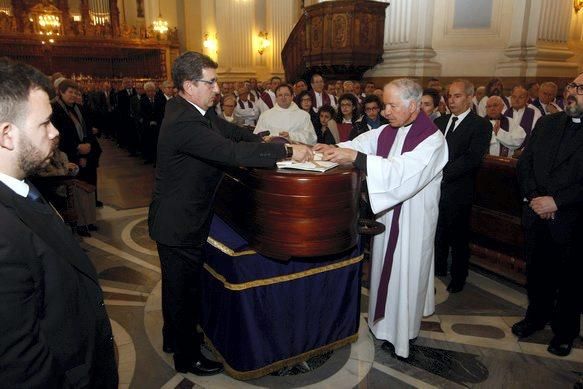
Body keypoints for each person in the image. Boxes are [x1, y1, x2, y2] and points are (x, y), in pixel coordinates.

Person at [148, 51, 312, 376]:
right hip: (178, 223)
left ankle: (174, 338)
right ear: (189, 84)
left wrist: (263, 137)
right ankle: (187, 356)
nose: (217, 88)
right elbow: (229, 152)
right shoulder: (184, 121)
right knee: (184, 291)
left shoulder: (193, 109)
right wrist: (287, 150)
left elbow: (229, 132)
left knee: (176, 288)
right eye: (210, 82)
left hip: (180, 216)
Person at [0, 58, 117, 388]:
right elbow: (20, 364)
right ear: (7, 135)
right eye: (44, 124)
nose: (54, 133)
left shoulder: (20, 185)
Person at [314, 78, 448, 359]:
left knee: (405, 275)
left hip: (413, 221)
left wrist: (357, 157)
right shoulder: (389, 130)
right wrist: (327, 150)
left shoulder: (432, 139)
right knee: (386, 273)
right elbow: (359, 143)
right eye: (384, 105)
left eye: (391, 105)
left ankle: (402, 334)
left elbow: (403, 173)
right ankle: (382, 325)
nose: (385, 111)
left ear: (413, 106)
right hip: (391, 215)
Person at [512, 73, 583, 357]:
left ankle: (565, 332)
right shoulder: (547, 122)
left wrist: (557, 202)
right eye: (572, 86)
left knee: (570, 279)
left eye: (581, 89)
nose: (573, 93)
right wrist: (534, 198)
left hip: (572, 219)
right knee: (537, 272)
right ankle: (535, 317)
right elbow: (524, 163)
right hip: (535, 212)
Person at [433, 79, 491, 292]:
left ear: (469, 97)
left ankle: (458, 277)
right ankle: (438, 267)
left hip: (459, 190)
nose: (451, 100)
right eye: (449, 96)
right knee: (437, 231)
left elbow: (471, 158)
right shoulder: (440, 122)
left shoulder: (481, 125)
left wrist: (439, 173)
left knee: (458, 236)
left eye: (457, 96)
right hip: (435, 188)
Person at [51, 79, 103, 235]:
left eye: (76, 92)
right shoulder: (55, 110)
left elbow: (88, 129)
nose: (73, 95)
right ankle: (80, 224)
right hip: (70, 156)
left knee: (89, 187)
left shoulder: (80, 108)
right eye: (70, 92)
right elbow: (58, 136)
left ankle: (90, 220)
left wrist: (88, 146)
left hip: (88, 153)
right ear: (61, 92)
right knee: (77, 191)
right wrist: (77, 149)